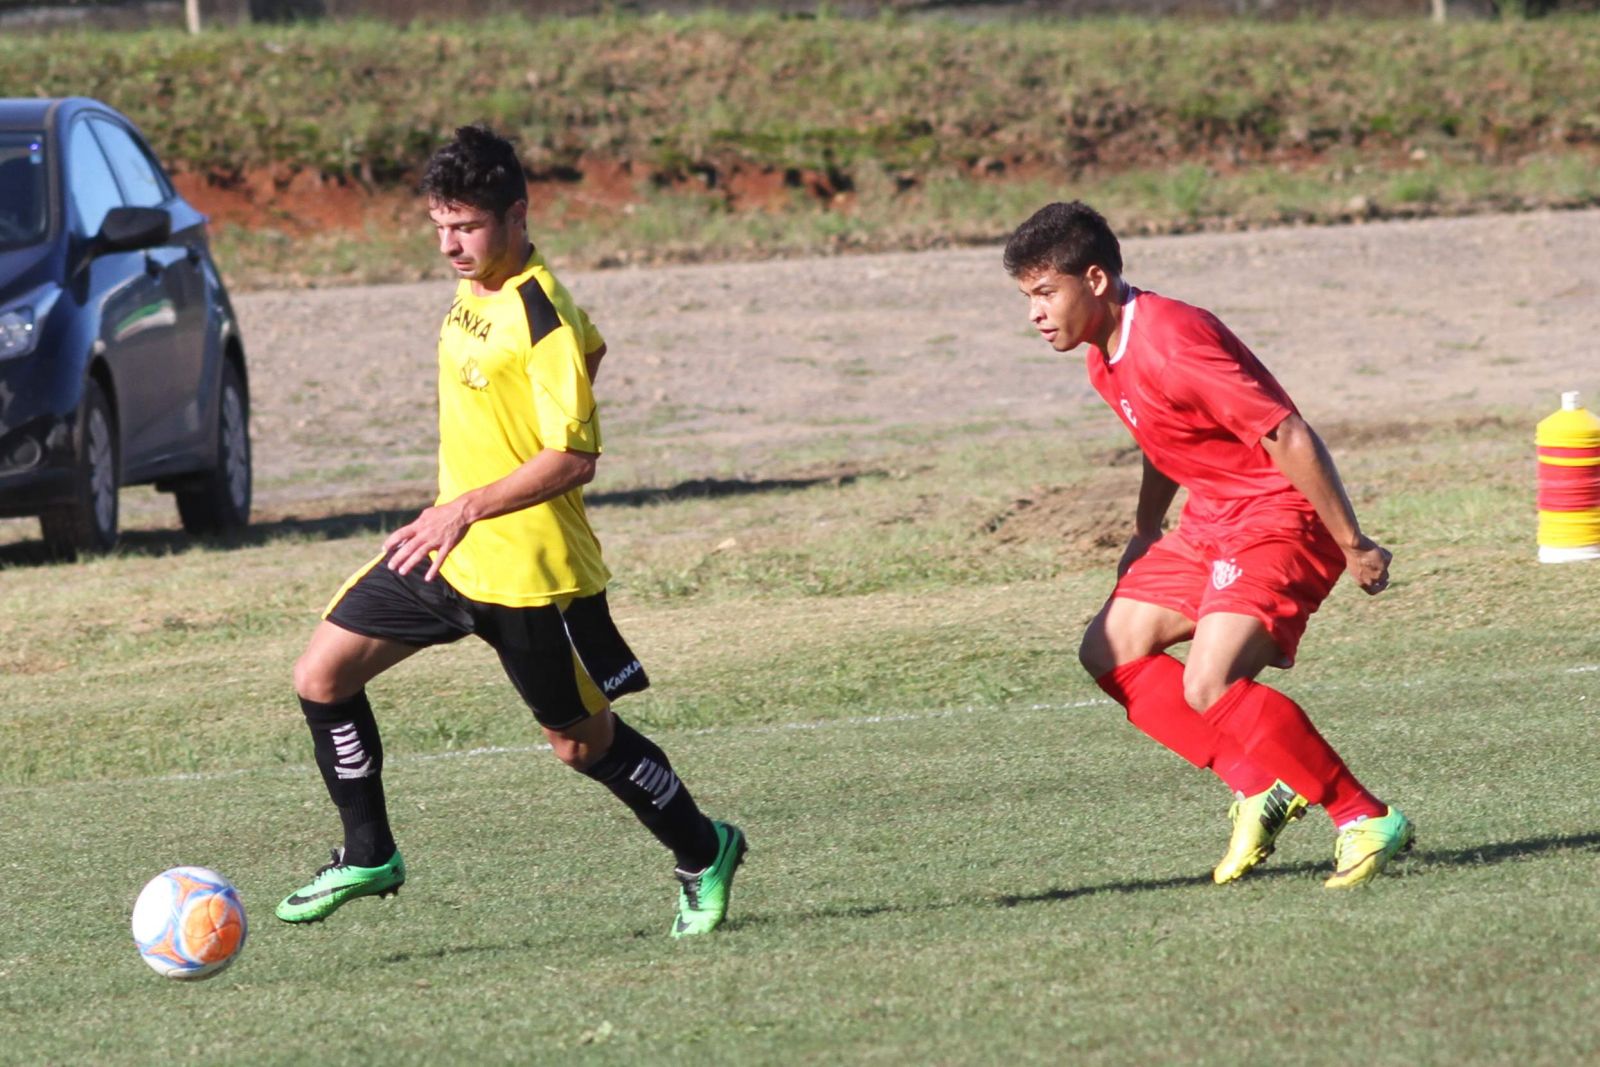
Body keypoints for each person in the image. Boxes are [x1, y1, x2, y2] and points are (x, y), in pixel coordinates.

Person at [276, 124, 746, 935]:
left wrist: (465, 504)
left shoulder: (539, 310)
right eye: (440, 226)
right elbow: (594, 349)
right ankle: (368, 852)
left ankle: (705, 849)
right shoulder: (480, 288)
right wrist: (462, 505)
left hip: (533, 574)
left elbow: (575, 457)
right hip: (447, 554)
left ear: (518, 215)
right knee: (321, 676)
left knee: (581, 745)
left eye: (467, 226)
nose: (451, 245)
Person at [1003, 201, 1412, 889]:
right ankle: (1259, 784)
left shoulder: (1171, 341)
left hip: (1279, 517)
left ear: (1095, 279)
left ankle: (1363, 816)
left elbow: (1286, 433)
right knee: (1109, 650)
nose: (1035, 314)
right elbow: (1165, 439)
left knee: (1208, 682)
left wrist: (1353, 541)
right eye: (1027, 298)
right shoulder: (1104, 357)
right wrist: (1145, 530)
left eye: (1045, 293)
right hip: (1212, 521)